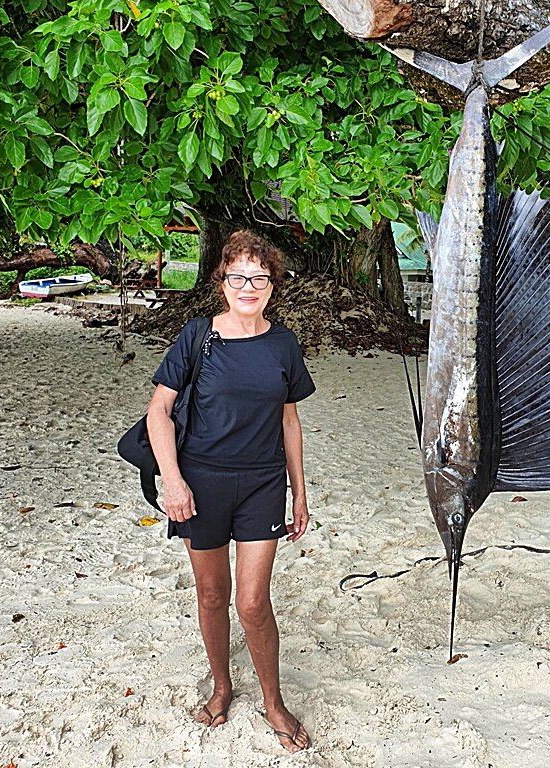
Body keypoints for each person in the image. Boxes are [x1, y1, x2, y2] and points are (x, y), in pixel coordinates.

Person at [147, 230, 315, 753]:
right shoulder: (199, 336)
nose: (249, 286)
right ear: (222, 281)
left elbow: (290, 421)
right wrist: (172, 481)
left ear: (272, 285)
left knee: (252, 602)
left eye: (259, 278)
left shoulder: (284, 344)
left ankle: (273, 700)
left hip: (262, 484)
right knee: (212, 593)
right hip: (201, 484)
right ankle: (222, 687)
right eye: (238, 276)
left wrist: (300, 493)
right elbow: (159, 411)